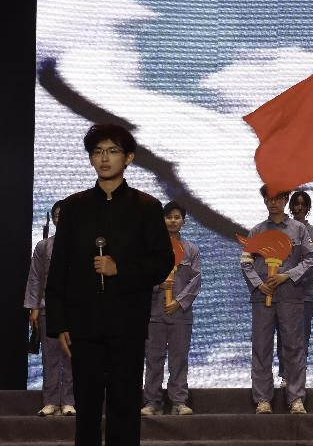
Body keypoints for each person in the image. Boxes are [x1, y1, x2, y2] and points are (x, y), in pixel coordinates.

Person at [45, 123, 174, 445]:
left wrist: (121, 269)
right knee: (86, 409)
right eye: (98, 152)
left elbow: (162, 262)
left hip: (127, 324)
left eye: (113, 151)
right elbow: (58, 269)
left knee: (125, 407)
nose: (104, 158)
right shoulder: (74, 207)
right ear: (91, 158)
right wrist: (59, 323)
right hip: (83, 325)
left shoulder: (147, 207)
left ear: (128, 158)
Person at [241, 185, 313, 415]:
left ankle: (296, 399)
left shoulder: (299, 230)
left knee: (293, 347)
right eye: (269, 199)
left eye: (277, 198)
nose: (273, 202)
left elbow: (310, 259)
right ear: (265, 201)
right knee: (261, 348)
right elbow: (245, 262)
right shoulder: (256, 231)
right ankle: (263, 399)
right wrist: (258, 284)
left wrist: (288, 275)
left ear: (285, 200)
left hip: (291, 297)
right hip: (262, 297)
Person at [141, 201, 201, 416]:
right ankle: (152, 402)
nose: (173, 221)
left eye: (177, 217)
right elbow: (141, 278)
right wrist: (158, 285)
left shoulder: (191, 249)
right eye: (169, 217)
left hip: (181, 314)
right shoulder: (151, 249)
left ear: (183, 221)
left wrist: (179, 301)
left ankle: (179, 401)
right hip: (155, 313)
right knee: (154, 359)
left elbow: (196, 280)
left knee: (179, 359)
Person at [24, 200, 75, 417]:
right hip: (48, 308)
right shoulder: (43, 246)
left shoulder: (80, 245)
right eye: (57, 215)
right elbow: (35, 277)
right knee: (50, 356)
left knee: (71, 356)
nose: (60, 219)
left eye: (64, 215)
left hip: (74, 309)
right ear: (53, 219)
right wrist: (34, 307)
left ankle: (69, 401)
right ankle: (51, 401)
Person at [275, 190, 313, 387]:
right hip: (283, 291)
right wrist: (284, 278)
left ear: (308, 208)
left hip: (305, 292)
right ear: (291, 206)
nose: (299, 207)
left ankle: (298, 376)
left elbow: (312, 263)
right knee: (284, 334)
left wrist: (293, 277)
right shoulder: (281, 230)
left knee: (302, 336)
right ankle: (285, 375)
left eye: (303, 204)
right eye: (296, 203)